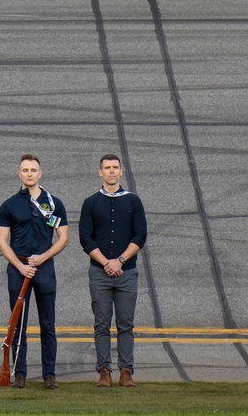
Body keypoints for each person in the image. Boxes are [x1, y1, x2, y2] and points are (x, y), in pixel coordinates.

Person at [0, 153, 68, 390]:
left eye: (33, 170)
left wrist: (42, 258)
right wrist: (21, 266)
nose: (29, 174)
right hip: (18, 269)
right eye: (25, 170)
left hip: (44, 268)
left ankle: (49, 374)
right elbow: (2, 241)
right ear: (19, 174)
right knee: (18, 324)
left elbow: (63, 237)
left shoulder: (54, 203)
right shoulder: (9, 205)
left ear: (40, 173)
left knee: (48, 324)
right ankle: (19, 373)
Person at [79, 153, 147, 389]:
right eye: (106, 168)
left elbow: (140, 235)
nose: (110, 171)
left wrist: (119, 260)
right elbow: (85, 238)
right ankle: (104, 371)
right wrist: (106, 262)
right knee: (101, 324)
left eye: (114, 167)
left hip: (127, 272)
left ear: (121, 172)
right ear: (100, 172)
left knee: (126, 323)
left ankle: (126, 371)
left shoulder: (133, 201)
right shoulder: (91, 203)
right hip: (99, 273)